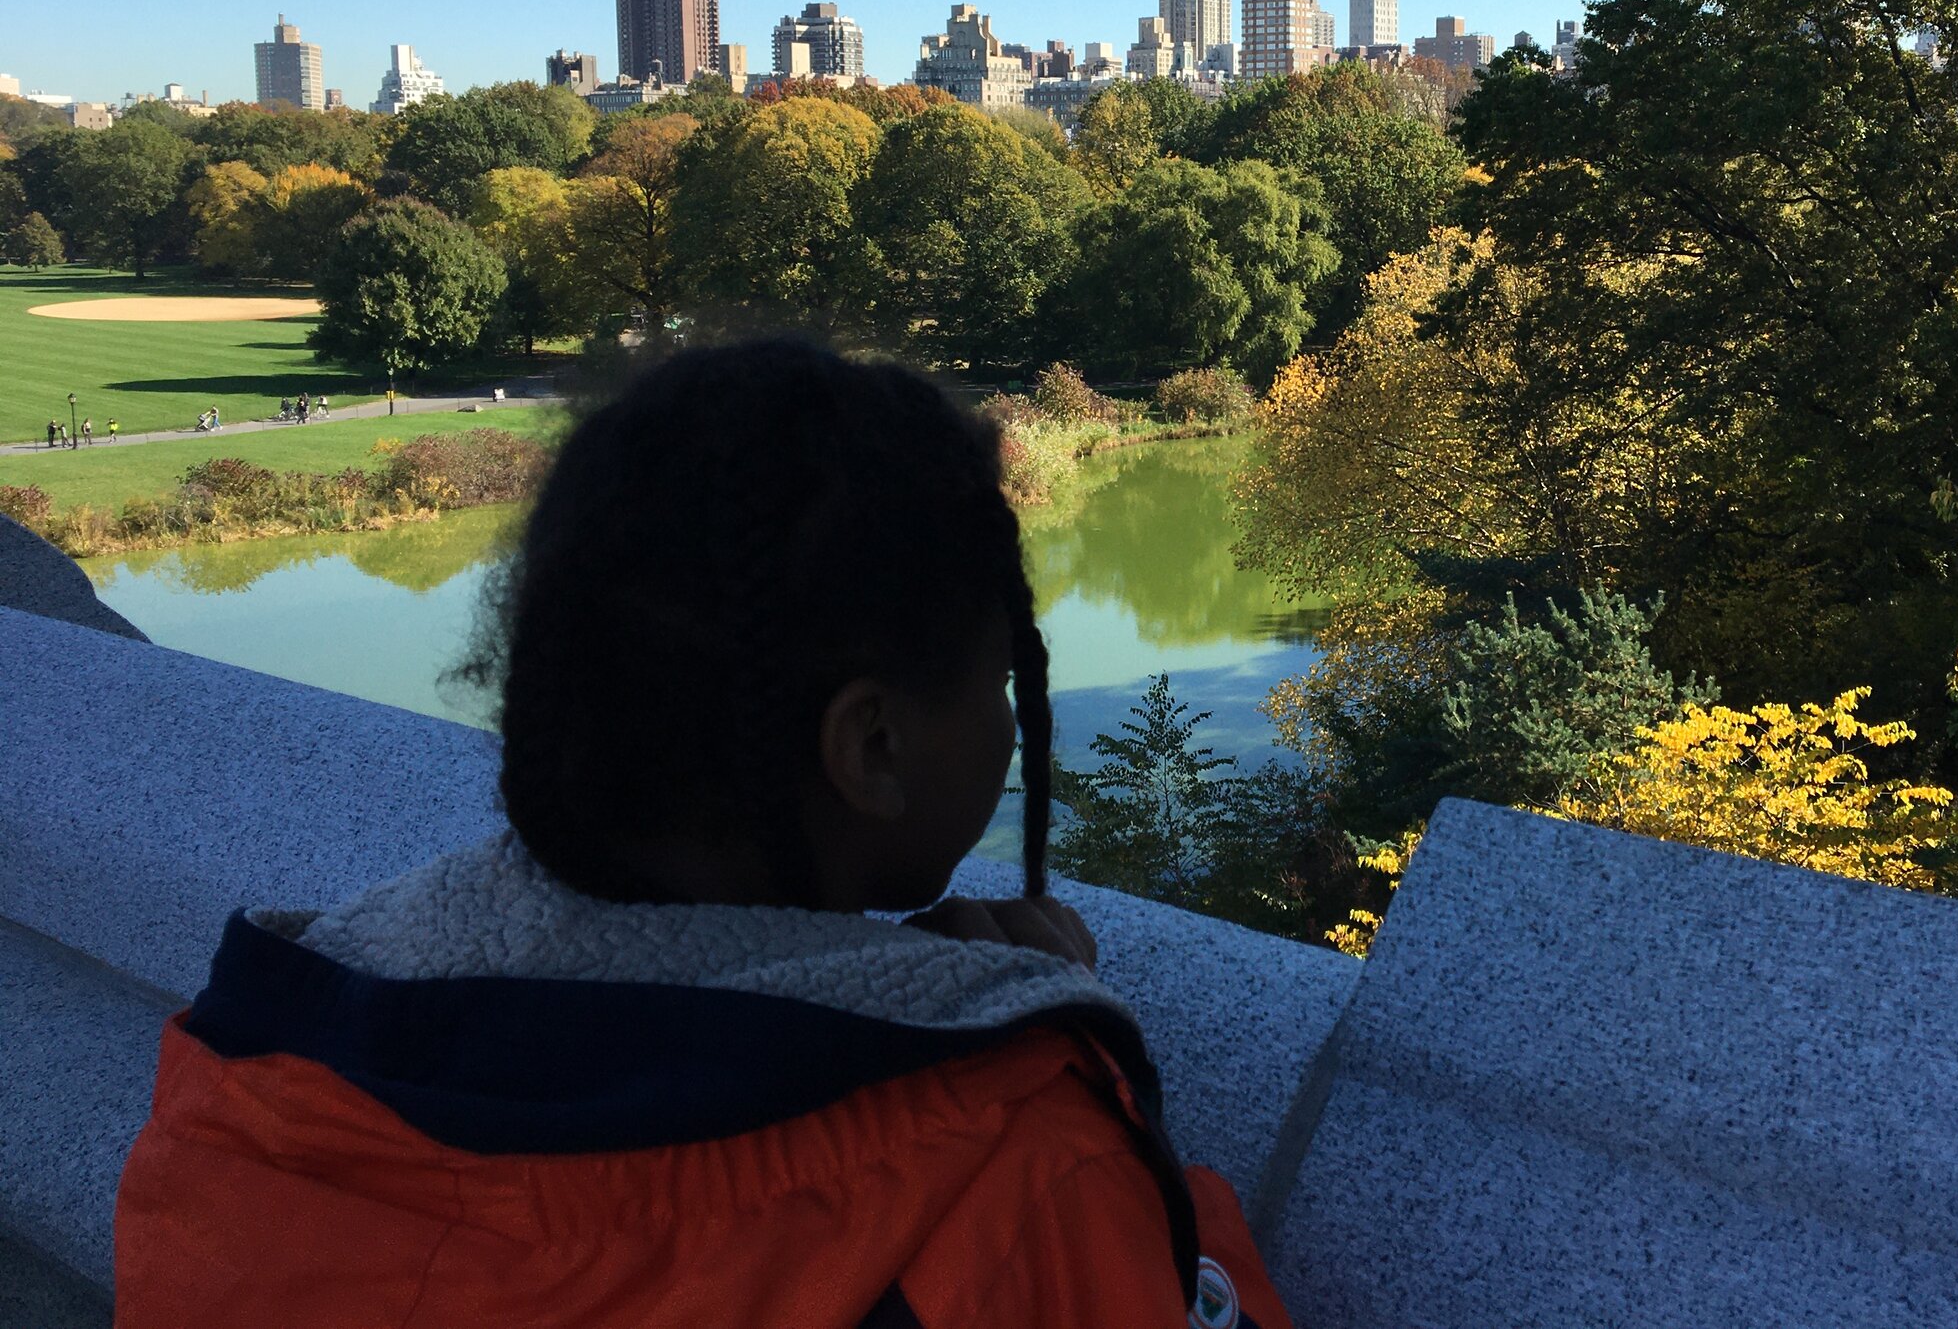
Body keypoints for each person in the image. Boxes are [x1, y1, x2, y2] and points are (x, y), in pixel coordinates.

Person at [113, 338, 1293, 1329]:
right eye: (998, 680)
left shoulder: (239, 1089)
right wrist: (1136, 1153)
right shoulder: (1013, 1161)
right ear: (872, 748)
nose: (1007, 721)